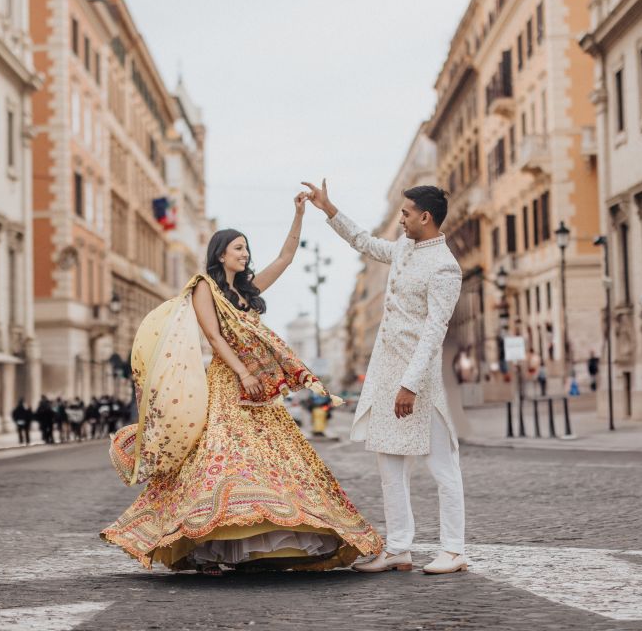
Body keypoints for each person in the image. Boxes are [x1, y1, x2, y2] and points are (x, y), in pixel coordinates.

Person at [102, 192, 383, 574]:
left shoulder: (247, 292)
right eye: (238, 248)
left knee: (273, 459)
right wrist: (244, 372)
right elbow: (215, 338)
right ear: (221, 254)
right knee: (224, 460)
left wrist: (298, 214)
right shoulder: (206, 287)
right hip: (226, 382)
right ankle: (206, 546)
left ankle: (269, 542)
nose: (245, 253)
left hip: (258, 392)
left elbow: (285, 258)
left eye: (247, 248)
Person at [304, 179, 468, 576]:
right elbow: (363, 241)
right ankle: (398, 548)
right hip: (386, 373)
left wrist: (409, 385)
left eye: (406, 213)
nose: (401, 219)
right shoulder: (404, 250)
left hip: (419, 379)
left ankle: (455, 549)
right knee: (389, 467)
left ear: (425, 217)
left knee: (442, 465)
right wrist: (330, 209)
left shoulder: (445, 267)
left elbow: (434, 331)